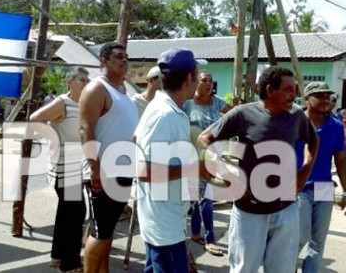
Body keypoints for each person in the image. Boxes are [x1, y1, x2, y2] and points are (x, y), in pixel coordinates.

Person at [198, 66, 319, 273]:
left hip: (286, 209)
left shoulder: (296, 116)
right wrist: (226, 172)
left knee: (282, 270)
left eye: (295, 89)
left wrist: (305, 171)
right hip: (249, 211)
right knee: (244, 269)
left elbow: (314, 141)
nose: (295, 94)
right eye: (288, 89)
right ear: (271, 90)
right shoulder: (243, 114)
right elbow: (205, 138)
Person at [134, 48, 210, 272]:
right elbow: (144, 172)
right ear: (189, 79)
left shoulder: (170, 110)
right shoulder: (163, 115)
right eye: (197, 74)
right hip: (163, 224)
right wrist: (194, 169)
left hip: (168, 217)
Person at [79, 42, 139, 273]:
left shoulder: (123, 92)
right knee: (100, 230)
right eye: (118, 57)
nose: (124, 61)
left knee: (108, 229)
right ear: (104, 61)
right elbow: (86, 130)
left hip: (123, 171)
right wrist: (95, 169)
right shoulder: (97, 89)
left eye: (126, 57)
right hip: (104, 172)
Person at [30, 67, 90, 273]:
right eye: (82, 80)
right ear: (69, 82)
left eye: (88, 80)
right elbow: (35, 119)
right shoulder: (62, 102)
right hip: (65, 166)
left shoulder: (83, 104)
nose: (87, 83)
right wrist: (52, 139)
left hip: (76, 166)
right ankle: (70, 264)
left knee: (67, 212)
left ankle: (57, 256)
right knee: (75, 212)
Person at [296, 82, 346, 273]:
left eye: (327, 96)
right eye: (319, 96)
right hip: (299, 187)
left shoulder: (336, 127)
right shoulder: (294, 122)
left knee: (318, 241)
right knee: (300, 236)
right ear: (306, 99)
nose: (325, 100)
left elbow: (341, 160)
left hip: (324, 188)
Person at [183, 69, 232, 257]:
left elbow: (234, 115)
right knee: (201, 198)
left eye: (211, 81)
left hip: (212, 157)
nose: (208, 84)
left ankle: (197, 234)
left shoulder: (217, 102)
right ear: (195, 82)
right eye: (204, 80)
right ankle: (208, 239)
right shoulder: (187, 104)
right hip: (192, 158)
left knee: (203, 196)